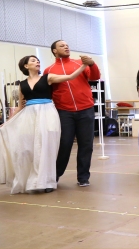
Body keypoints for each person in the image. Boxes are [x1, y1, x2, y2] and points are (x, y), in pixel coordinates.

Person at [0, 55, 88, 194]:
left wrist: (84, 65)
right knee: (28, 148)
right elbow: (19, 106)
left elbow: (69, 77)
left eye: (38, 60)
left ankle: (47, 181)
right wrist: (8, 122)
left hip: (47, 113)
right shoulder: (22, 84)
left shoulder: (47, 77)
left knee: (47, 147)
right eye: (33, 60)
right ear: (26, 66)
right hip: (29, 115)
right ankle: (32, 179)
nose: (37, 62)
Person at [44, 40, 101, 187]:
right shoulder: (49, 70)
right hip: (64, 112)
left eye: (67, 45)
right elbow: (47, 92)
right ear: (54, 51)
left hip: (86, 110)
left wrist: (92, 64)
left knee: (86, 145)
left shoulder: (78, 63)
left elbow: (95, 77)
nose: (66, 47)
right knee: (64, 144)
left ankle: (83, 177)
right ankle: (54, 177)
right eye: (62, 46)